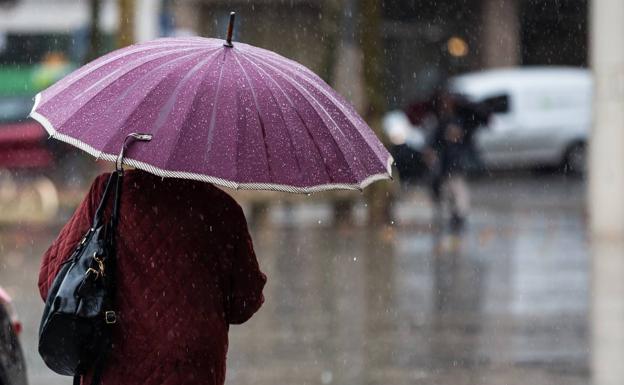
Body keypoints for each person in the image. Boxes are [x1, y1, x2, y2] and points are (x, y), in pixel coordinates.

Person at [38, 169, 266, 385]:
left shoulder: (109, 194)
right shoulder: (223, 209)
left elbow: (53, 285)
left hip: (114, 366)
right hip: (193, 371)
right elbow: (244, 304)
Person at [424, 90, 489, 233]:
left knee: (458, 188)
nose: (446, 105)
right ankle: (453, 213)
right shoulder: (440, 121)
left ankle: (459, 214)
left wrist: (461, 135)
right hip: (446, 161)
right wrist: (432, 150)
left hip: (458, 160)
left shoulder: (463, 119)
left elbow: (469, 137)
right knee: (446, 189)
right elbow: (435, 141)